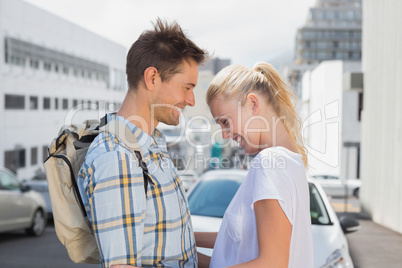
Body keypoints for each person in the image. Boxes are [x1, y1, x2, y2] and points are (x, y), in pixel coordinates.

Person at [78, 18, 208, 267]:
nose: (191, 100)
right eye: (187, 87)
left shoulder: (149, 146)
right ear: (152, 78)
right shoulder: (118, 158)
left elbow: (176, 256)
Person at [197, 62, 313, 267]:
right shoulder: (290, 162)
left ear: (252, 103)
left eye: (225, 121)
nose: (224, 135)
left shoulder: (269, 164)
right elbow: (239, 244)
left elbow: (272, 263)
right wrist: (184, 243)